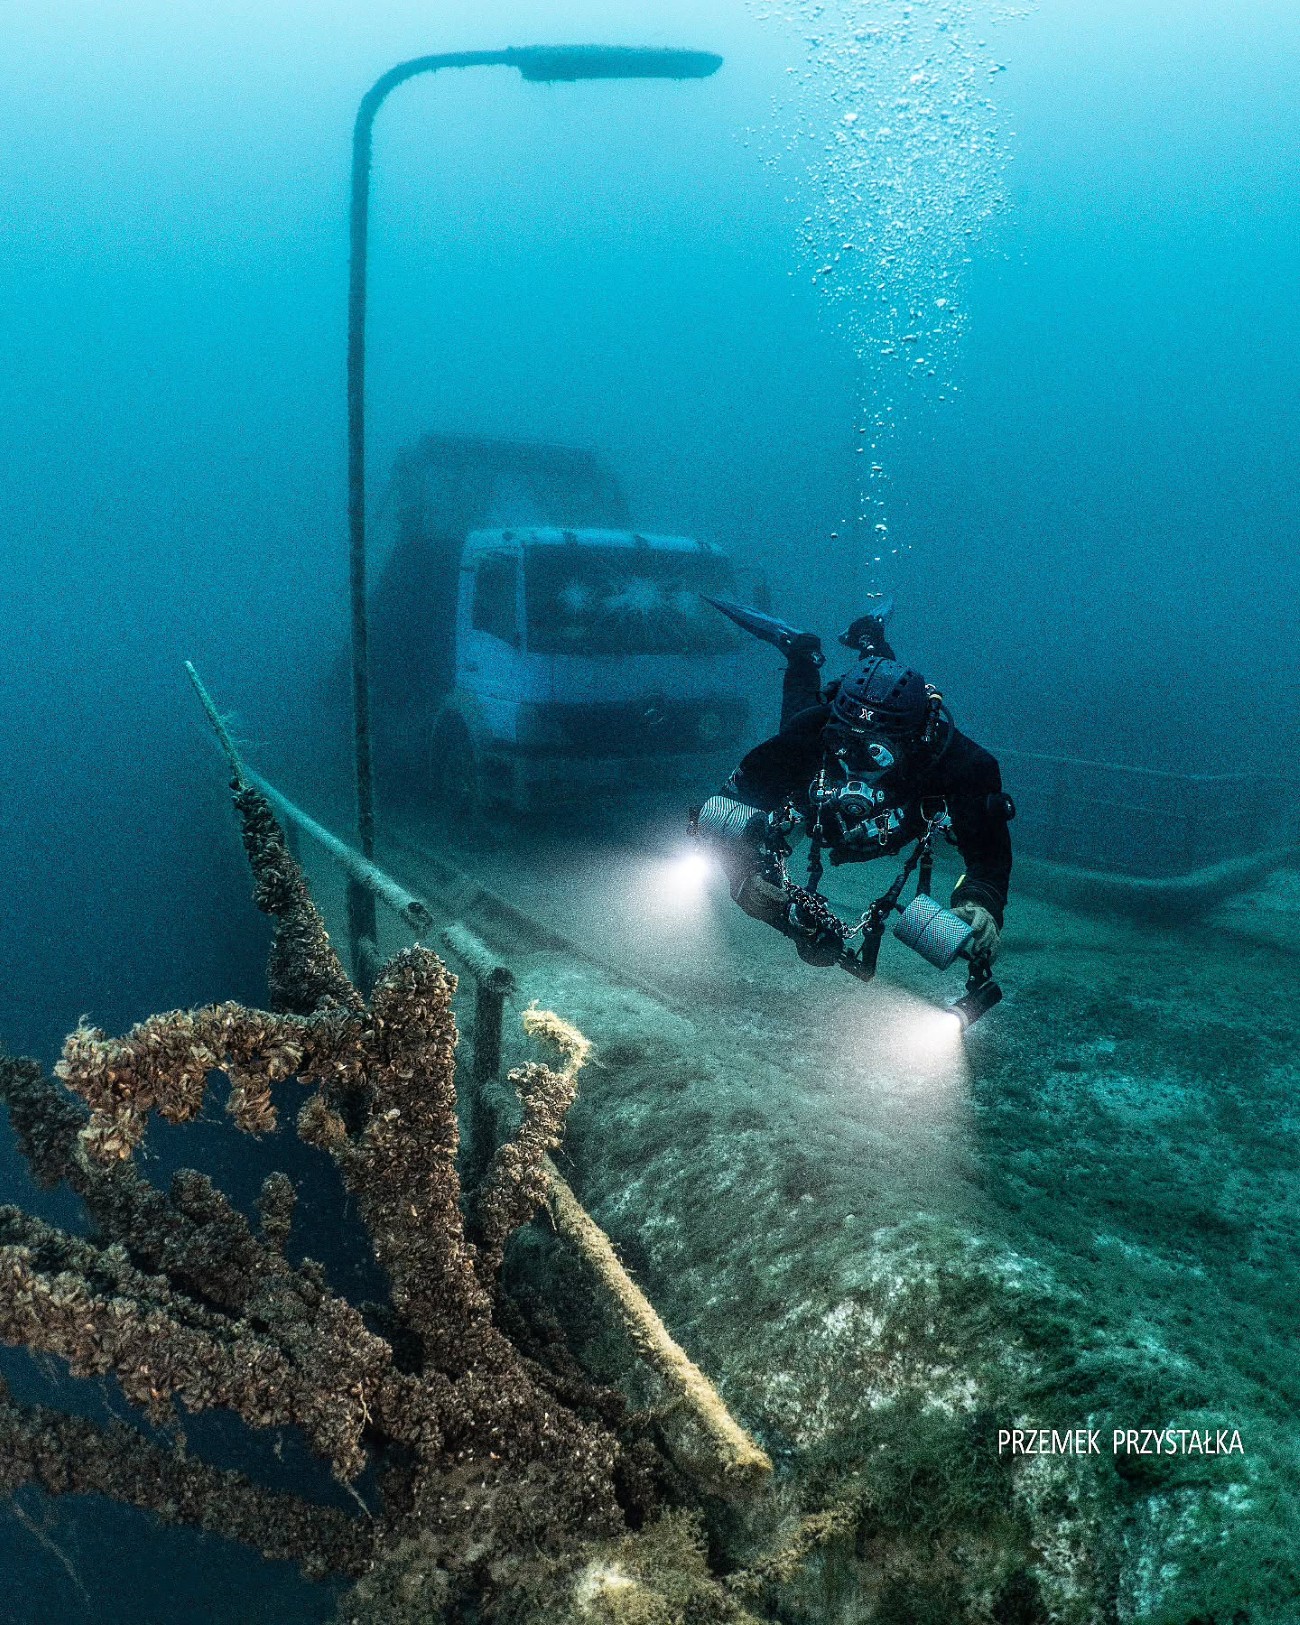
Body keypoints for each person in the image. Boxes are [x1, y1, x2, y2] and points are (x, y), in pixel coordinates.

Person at [700, 596, 1012, 969]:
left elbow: (988, 851)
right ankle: (802, 650)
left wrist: (981, 903)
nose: (854, 759)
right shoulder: (811, 732)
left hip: (899, 791)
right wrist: (745, 876)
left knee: (881, 683)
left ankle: (870, 639)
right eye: (845, 742)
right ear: (833, 724)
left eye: (875, 751)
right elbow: (728, 808)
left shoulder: (959, 764)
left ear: (915, 741)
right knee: (800, 714)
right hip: (813, 770)